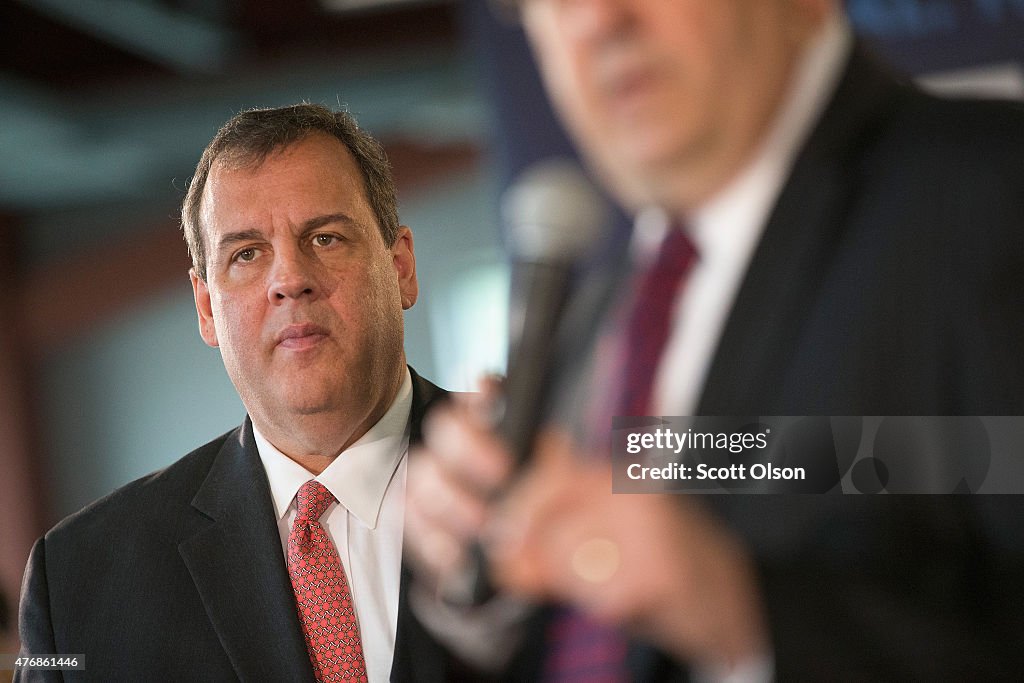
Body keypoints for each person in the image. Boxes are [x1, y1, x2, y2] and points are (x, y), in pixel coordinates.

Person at [404, 0, 1024, 680]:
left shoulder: (994, 194)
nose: (595, 21)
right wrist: (487, 576)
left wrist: (742, 617)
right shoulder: (595, 327)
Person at [17, 104, 451, 681]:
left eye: (325, 237)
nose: (289, 279)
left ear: (400, 267)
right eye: (246, 254)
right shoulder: (76, 578)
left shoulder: (572, 463)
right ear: (205, 309)